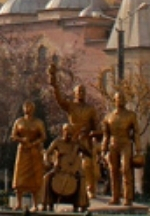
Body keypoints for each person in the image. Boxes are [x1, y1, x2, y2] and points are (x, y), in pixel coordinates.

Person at [48, 63, 100, 202]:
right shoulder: (70, 106)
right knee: (65, 163)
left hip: (85, 140)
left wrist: (92, 134)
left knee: (87, 164)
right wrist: (55, 85)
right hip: (71, 139)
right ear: (75, 93)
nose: (81, 94)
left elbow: (97, 128)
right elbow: (59, 100)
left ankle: (90, 189)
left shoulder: (91, 109)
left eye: (83, 92)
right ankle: (63, 189)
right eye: (78, 92)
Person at [101, 92, 139, 206]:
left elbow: (136, 133)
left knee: (126, 169)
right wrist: (103, 150)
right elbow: (106, 135)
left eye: (123, 97)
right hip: (113, 145)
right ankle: (115, 197)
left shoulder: (131, 115)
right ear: (114, 100)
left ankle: (128, 197)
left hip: (125, 144)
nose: (121, 100)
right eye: (118, 98)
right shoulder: (108, 117)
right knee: (113, 171)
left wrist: (139, 150)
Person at [11, 100, 47, 210]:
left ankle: (35, 204)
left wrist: (34, 143)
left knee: (35, 178)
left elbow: (43, 137)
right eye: (26, 106)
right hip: (22, 151)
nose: (28, 109)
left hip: (34, 152)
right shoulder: (19, 121)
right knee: (19, 177)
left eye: (30, 107)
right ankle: (19, 203)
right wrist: (21, 139)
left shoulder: (38, 122)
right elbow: (13, 136)